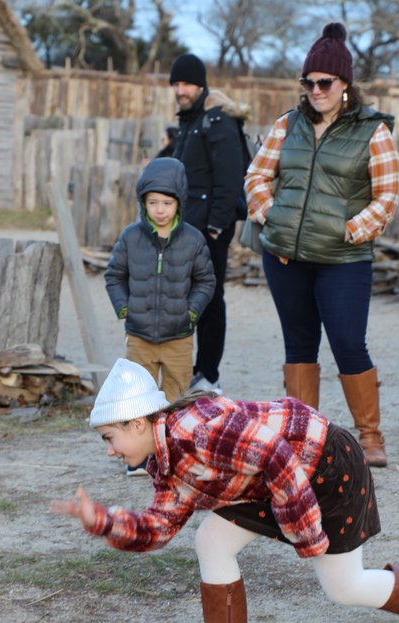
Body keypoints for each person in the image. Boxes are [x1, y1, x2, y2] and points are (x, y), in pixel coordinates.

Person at [52, 358, 399, 623]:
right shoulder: (166, 461)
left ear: (137, 423)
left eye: (109, 437)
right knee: (212, 540)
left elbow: (277, 456)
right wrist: (101, 521)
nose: (109, 450)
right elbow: (158, 528)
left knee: (344, 587)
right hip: (271, 483)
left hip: (325, 467)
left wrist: (306, 535)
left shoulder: (198, 431)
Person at [244, 22, 399, 467]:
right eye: (309, 83)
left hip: (342, 259)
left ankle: (370, 435)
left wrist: (349, 230)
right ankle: (302, 437)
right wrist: (271, 213)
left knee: (349, 343)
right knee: (299, 346)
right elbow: (257, 176)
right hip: (286, 257)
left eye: (324, 82)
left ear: (344, 83)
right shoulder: (287, 124)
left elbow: (387, 196)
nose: (316, 90)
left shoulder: (373, 131)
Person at [105, 158, 215, 476]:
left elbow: (206, 281)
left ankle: (177, 453)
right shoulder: (131, 237)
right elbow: (114, 275)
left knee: (177, 395)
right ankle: (139, 458)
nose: (160, 210)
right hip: (139, 336)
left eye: (167, 203)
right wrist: (125, 308)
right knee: (137, 397)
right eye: (153, 202)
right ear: (143, 203)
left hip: (179, 336)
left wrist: (191, 312)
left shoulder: (193, 239)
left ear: (179, 202)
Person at [169, 53, 246, 395]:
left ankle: (209, 374)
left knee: (211, 299)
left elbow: (230, 177)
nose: (180, 90)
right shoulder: (191, 120)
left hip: (210, 229)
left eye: (187, 84)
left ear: (201, 86)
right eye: (176, 84)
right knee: (189, 297)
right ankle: (193, 369)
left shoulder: (218, 121)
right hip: (188, 226)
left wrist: (216, 225)